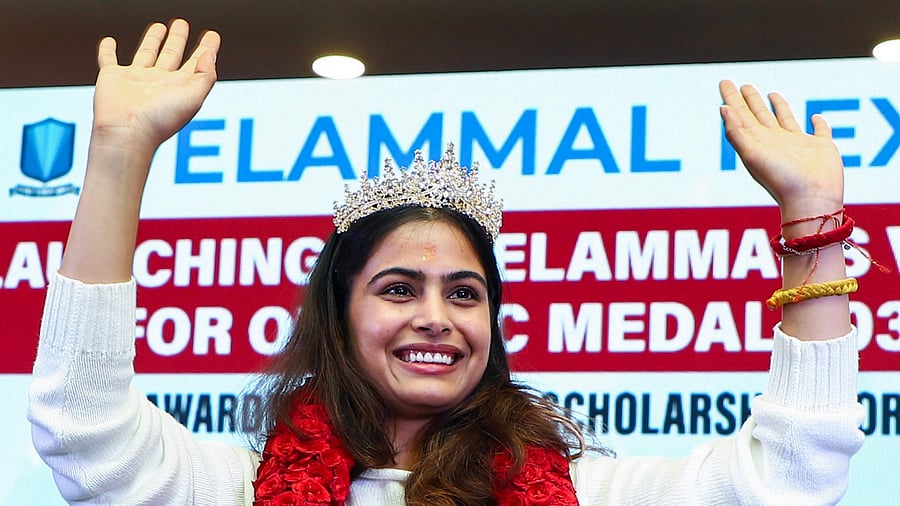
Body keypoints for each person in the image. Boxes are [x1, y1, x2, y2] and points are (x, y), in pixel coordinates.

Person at [27, 19, 865, 505]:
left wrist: (812, 214)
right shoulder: (232, 487)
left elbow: (789, 471)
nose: (436, 316)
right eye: (398, 288)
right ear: (339, 311)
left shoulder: (584, 492)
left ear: (491, 324)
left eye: (464, 292)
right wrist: (116, 155)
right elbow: (83, 427)